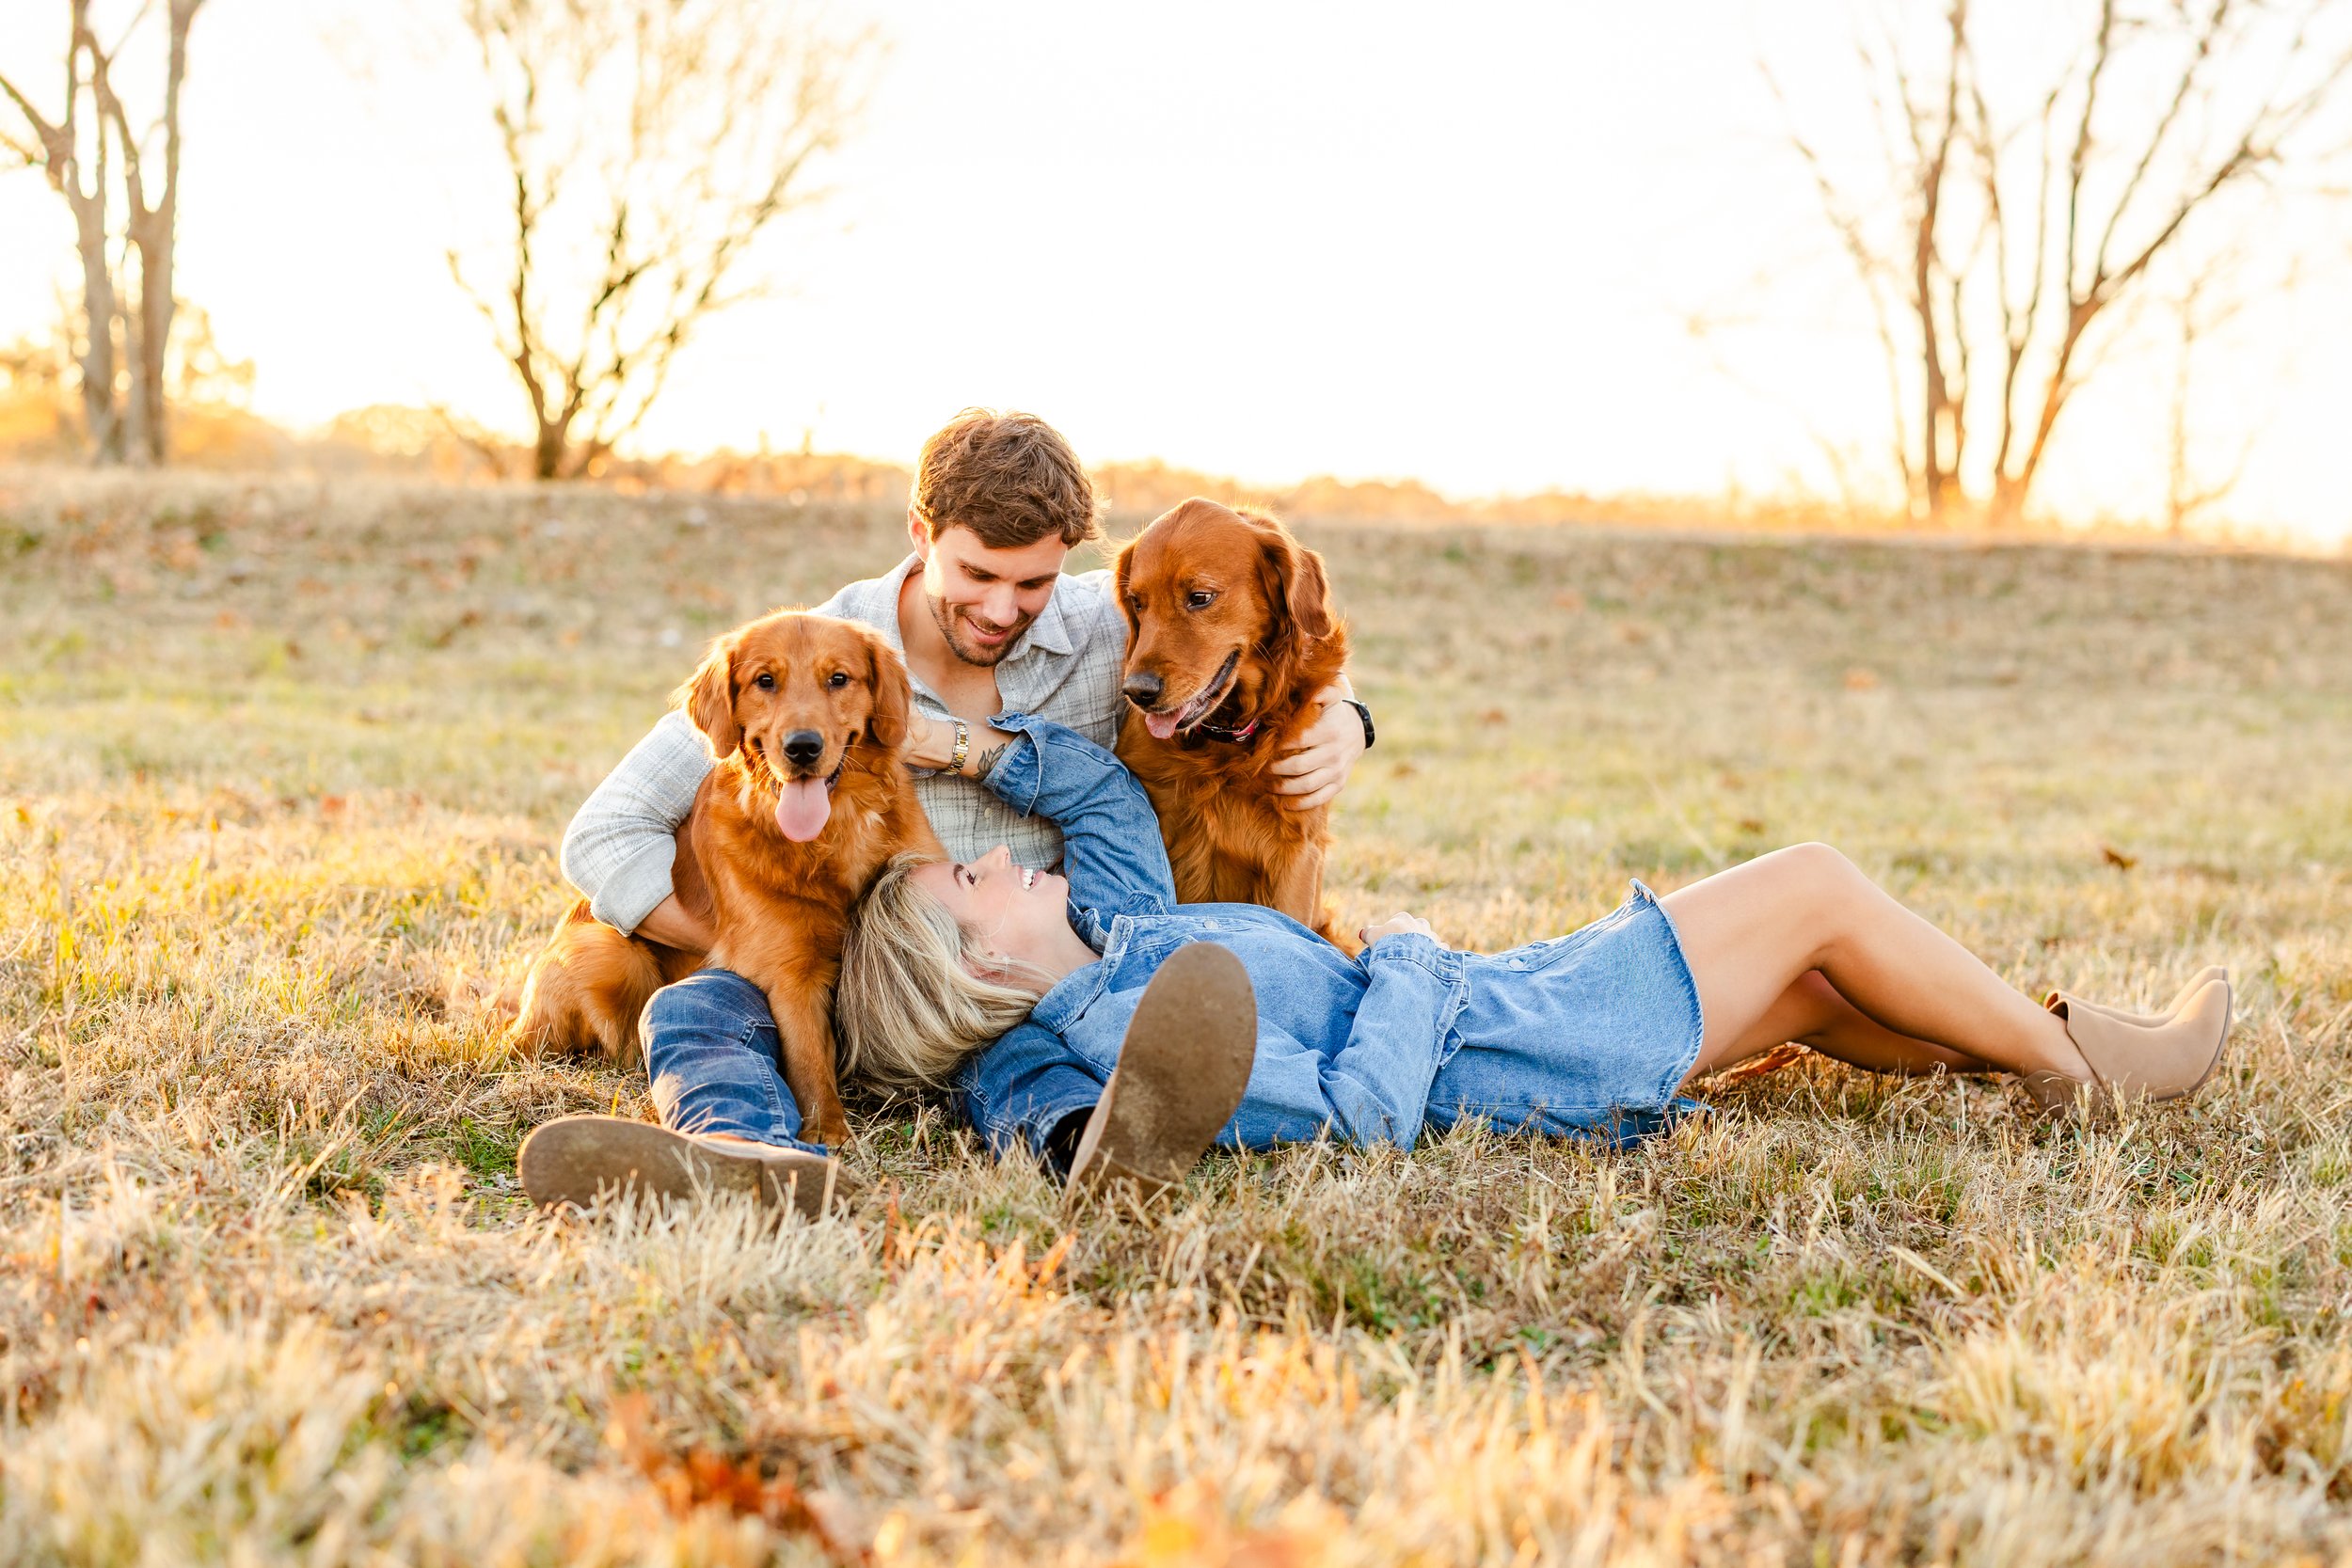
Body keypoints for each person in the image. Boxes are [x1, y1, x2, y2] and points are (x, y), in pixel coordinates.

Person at [813, 713, 2232, 1198]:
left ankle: (2032, 1051)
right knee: (1814, 885)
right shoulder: (1141, 1032)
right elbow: (1365, 1115)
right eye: (967, 879)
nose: (995, 852)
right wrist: (1417, 951)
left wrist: (951, 743)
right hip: (1528, 1035)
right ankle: (2087, 1067)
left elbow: (1107, 801)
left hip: (1524, 1002)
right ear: (975, 973)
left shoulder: (1125, 930)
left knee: (1811, 981)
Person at [518, 410, 1375, 1212]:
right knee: (699, 1010)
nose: (1003, 609)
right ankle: (744, 1156)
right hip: (842, 981)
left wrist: (1347, 717)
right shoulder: (826, 647)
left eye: (1032, 581)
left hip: (1008, 977)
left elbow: (1264, 633)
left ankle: (1088, 1147)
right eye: (976, 574)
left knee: (1017, 1054)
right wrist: (746, 943)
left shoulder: (1107, 624)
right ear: (921, 536)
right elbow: (604, 830)